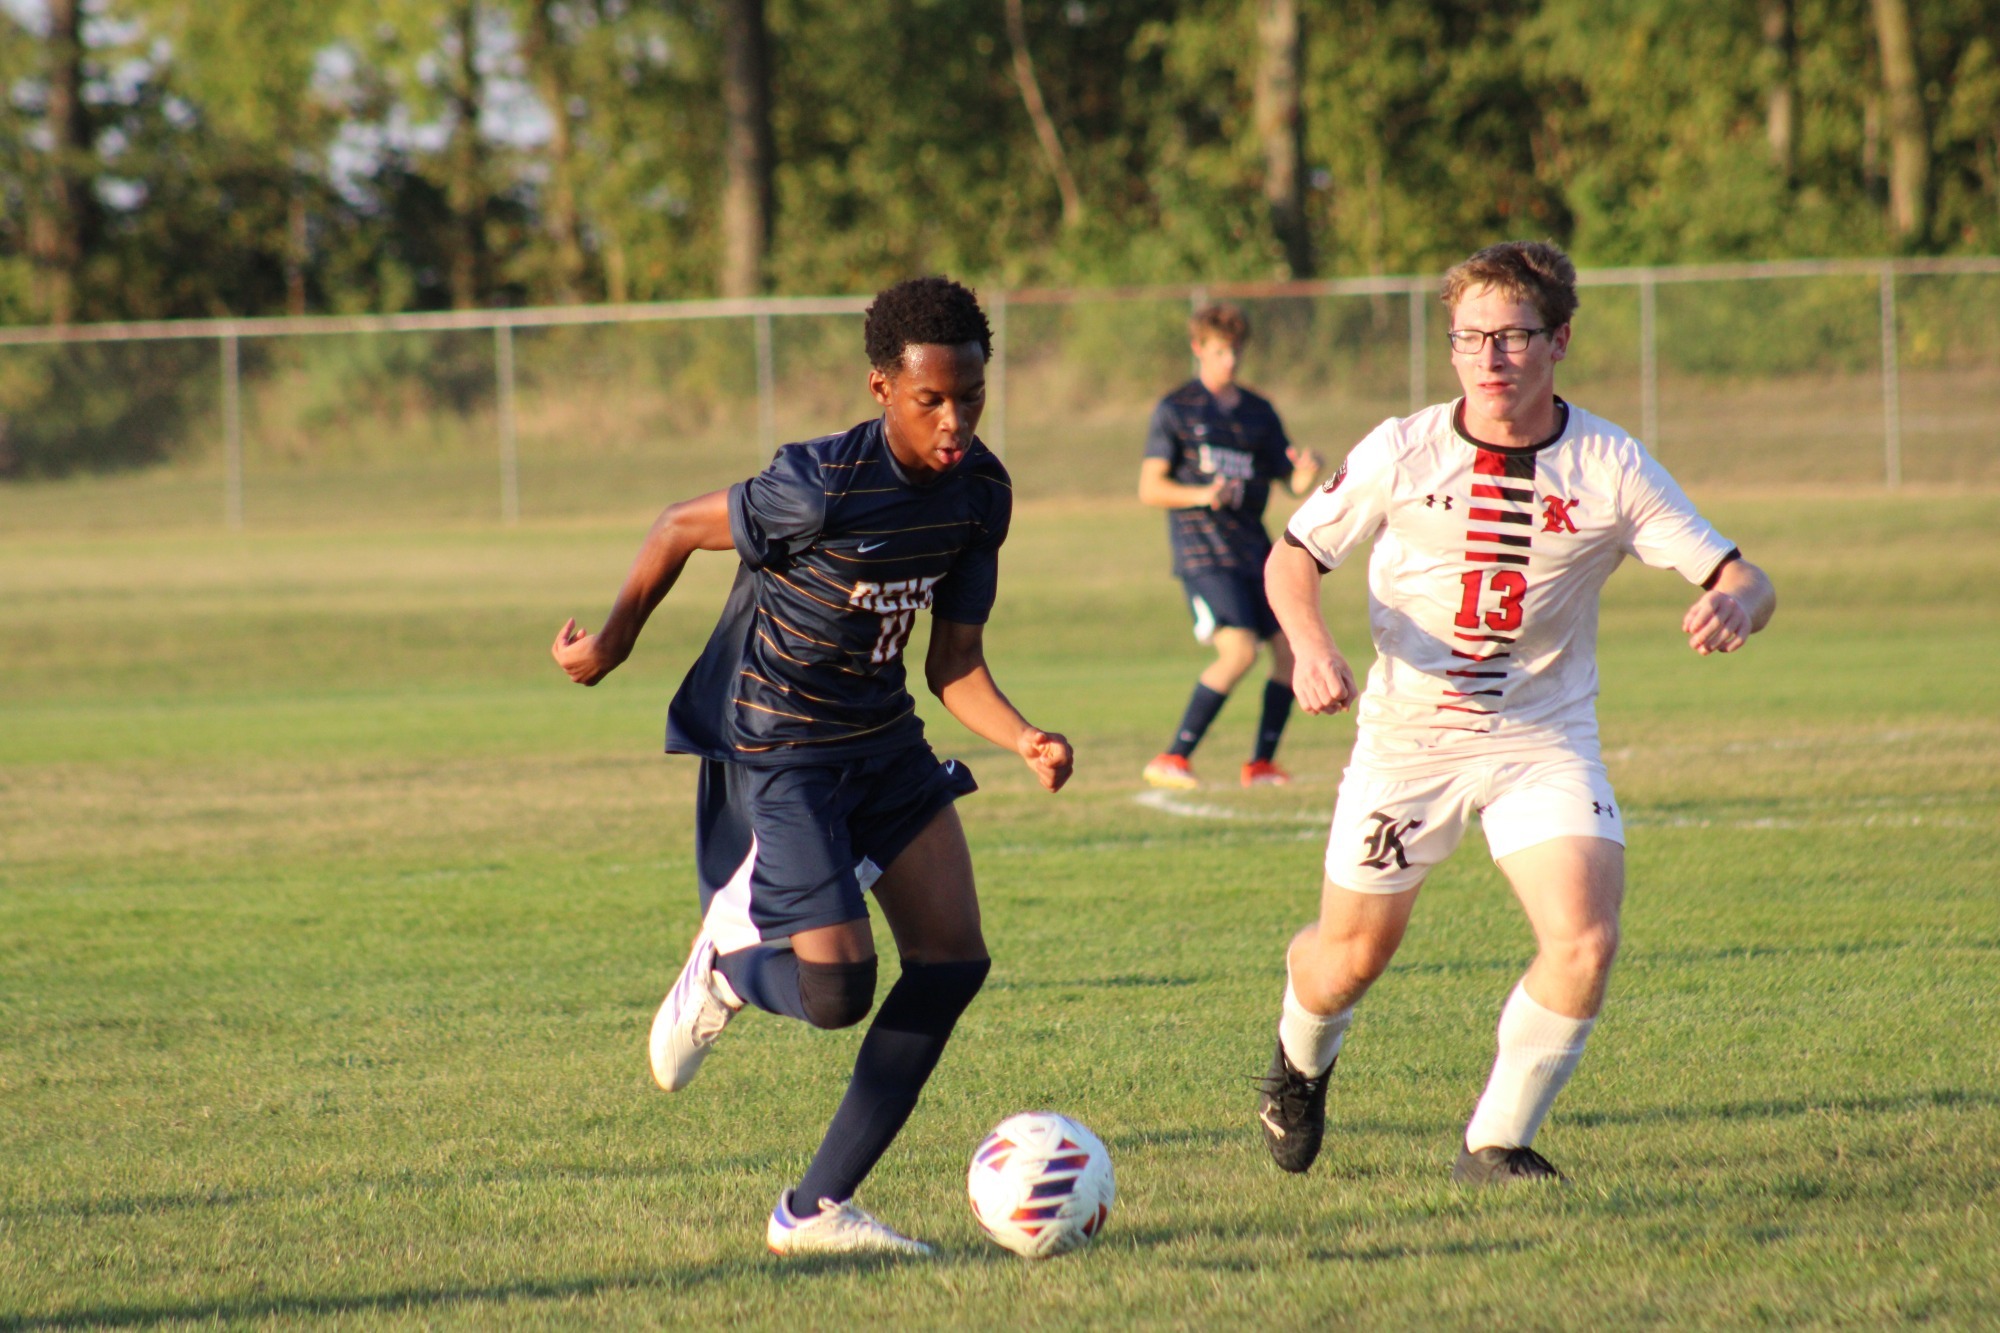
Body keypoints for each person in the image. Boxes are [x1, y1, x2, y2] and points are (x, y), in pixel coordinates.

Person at [552, 276, 1072, 1255]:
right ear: (882, 388)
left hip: (881, 740)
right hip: (779, 747)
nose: (954, 419)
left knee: (952, 961)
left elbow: (952, 664)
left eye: (971, 397)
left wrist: (1022, 736)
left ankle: (813, 1210)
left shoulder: (980, 493)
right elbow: (675, 524)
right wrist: (613, 643)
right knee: (837, 992)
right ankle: (727, 968)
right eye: (931, 400)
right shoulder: (819, 483)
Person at [1254, 241, 1776, 1184]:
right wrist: (1312, 647)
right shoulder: (1404, 448)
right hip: (1408, 739)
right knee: (1349, 959)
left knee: (1584, 936)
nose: (1489, 358)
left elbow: (1745, 572)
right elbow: (1291, 559)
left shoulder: (1610, 463)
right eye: (1469, 337)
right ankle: (1298, 1063)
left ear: (1560, 339)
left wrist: (1737, 600)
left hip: (1543, 735)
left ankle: (1494, 1143)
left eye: (1513, 337)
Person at [1138, 302, 1324, 790]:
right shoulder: (1176, 409)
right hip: (1203, 555)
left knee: (1288, 652)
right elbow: (1150, 488)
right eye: (1220, 351)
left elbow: (1293, 482)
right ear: (1199, 349)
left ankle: (1260, 765)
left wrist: (1307, 468)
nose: (1230, 361)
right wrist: (1203, 494)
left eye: (1236, 352)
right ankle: (1172, 757)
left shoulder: (1258, 413)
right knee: (1239, 651)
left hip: (1254, 551)